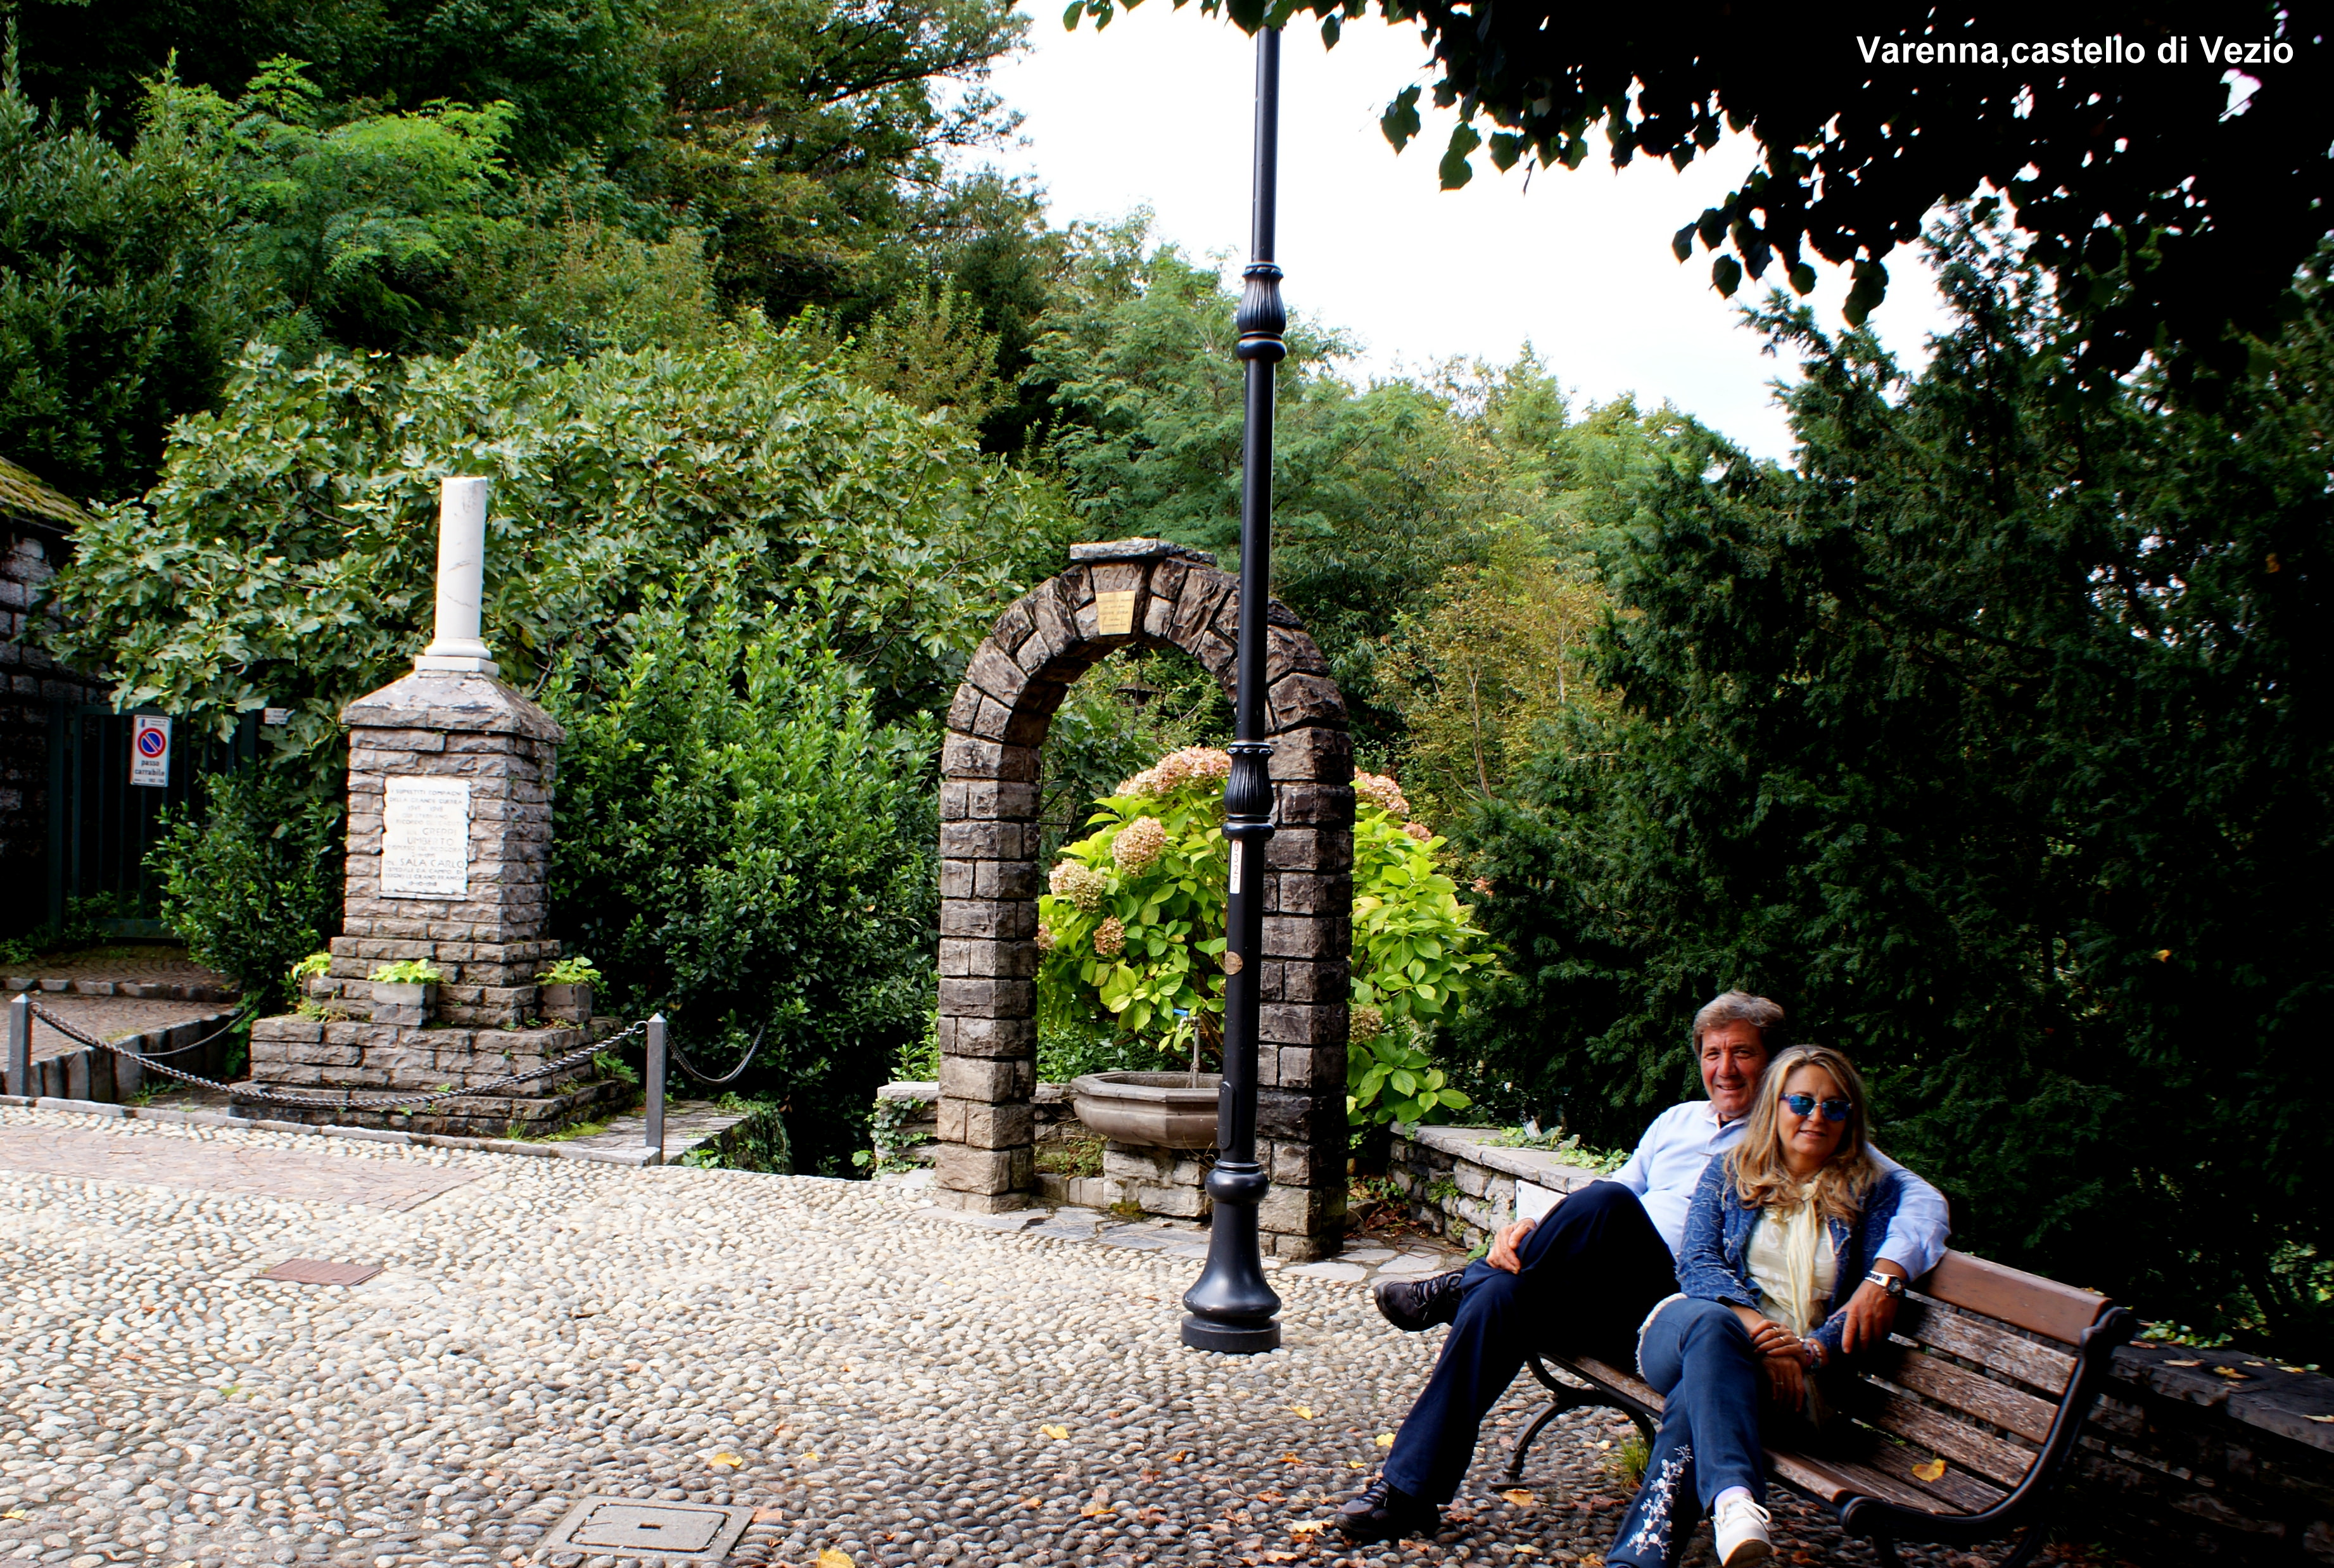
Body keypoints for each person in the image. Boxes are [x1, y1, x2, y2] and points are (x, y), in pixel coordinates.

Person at [1335, 992, 1950, 1543]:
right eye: (1712, 1054)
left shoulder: (1800, 1124)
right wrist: (1528, 1227)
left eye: (1742, 1053)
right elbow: (1612, 1189)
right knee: (1506, 1292)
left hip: (1684, 1316)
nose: (1725, 1069)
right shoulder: (1677, 1122)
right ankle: (1409, 1493)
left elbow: (1921, 1198)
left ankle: (1458, 1285)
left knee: (1577, 1228)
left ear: (1774, 1063)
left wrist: (1886, 1274)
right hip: (1608, 1303)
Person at [1604, 1044, 1909, 1568]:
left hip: (1794, 1378)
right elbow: (1697, 1263)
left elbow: (1862, 1301)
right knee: (1714, 1326)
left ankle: (1713, 1516)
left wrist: (1807, 1352)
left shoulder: (1870, 1193)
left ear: (1849, 1118)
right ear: (1775, 1106)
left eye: (1835, 1107)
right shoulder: (1729, 1170)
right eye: (1803, 1102)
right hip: (1691, 1328)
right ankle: (1733, 1501)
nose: (1817, 1117)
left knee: (1695, 1399)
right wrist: (1756, 1329)